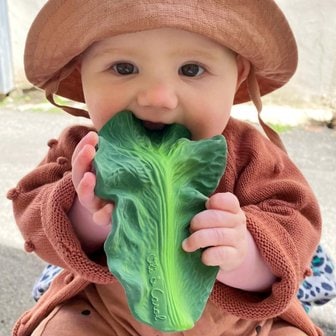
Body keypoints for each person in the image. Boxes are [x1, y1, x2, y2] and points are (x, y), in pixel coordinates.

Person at [7, 1, 324, 335]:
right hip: (108, 316)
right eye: (124, 68)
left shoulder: (252, 153)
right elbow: (32, 213)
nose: (158, 98)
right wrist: (87, 216)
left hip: (239, 326)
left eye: (191, 69)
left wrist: (244, 254)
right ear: (81, 71)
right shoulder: (82, 150)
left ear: (238, 76)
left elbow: (296, 225)